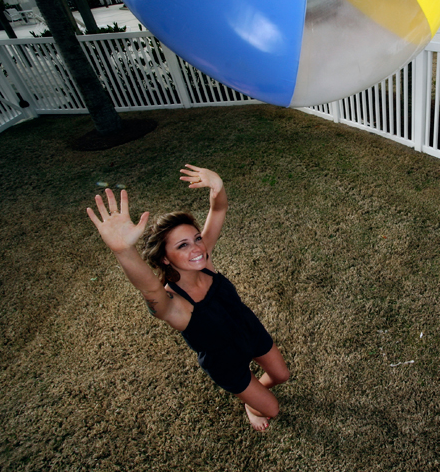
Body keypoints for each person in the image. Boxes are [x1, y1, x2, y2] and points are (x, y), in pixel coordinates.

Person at [86, 165, 289, 432]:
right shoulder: (173, 305)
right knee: (271, 409)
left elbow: (218, 211)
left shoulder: (204, 262)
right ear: (165, 257)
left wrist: (218, 187)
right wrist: (124, 251)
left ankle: (252, 393)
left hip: (248, 329)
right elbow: (148, 288)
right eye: (183, 245)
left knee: (282, 375)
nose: (197, 248)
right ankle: (251, 405)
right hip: (224, 360)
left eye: (195, 239)